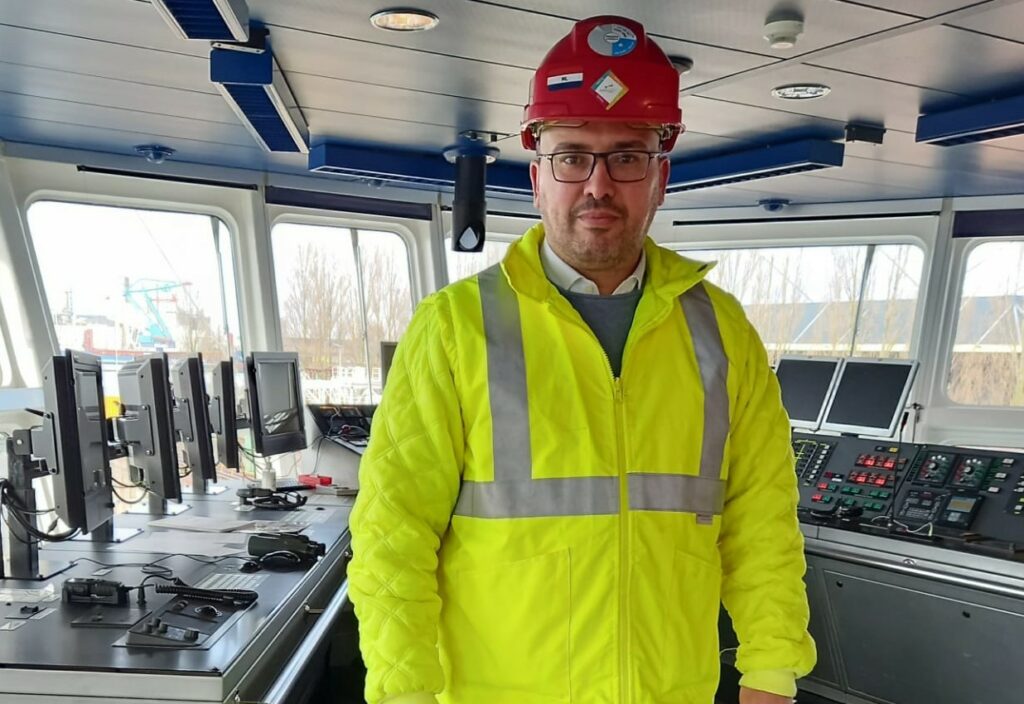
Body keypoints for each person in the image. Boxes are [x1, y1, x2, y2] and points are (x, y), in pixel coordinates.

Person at [348, 14, 816, 704]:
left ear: (660, 174)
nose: (598, 185)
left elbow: (761, 520)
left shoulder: (722, 332)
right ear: (538, 174)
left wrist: (771, 672)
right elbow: (393, 536)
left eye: (626, 156)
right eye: (572, 156)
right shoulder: (453, 330)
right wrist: (404, 692)